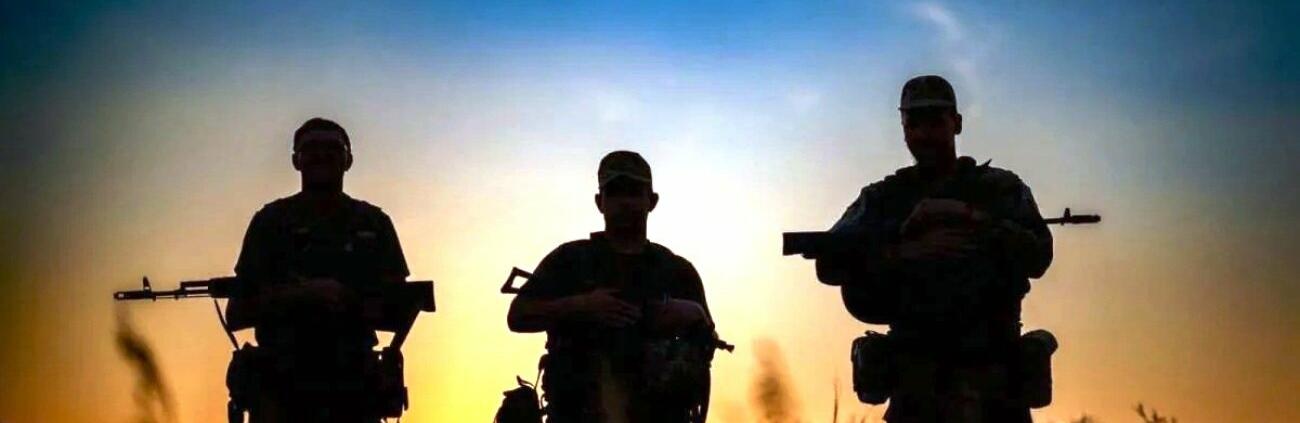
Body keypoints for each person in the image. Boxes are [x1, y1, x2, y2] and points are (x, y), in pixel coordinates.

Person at [817, 75, 1054, 423]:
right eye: (913, 124)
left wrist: (971, 219)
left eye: (934, 122)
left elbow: (1039, 256)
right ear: (903, 129)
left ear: (956, 123)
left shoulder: (1000, 189)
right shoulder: (883, 199)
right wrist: (904, 250)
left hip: (994, 379)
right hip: (917, 379)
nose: (924, 134)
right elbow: (829, 261)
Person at [507, 151, 718, 423]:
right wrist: (582, 306)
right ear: (600, 202)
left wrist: (692, 315)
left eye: (634, 192)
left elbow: (706, 348)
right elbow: (518, 315)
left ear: (652, 201)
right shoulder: (570, 261)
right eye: (615, 193)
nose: (625, 202)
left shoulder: (676, 271)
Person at [225, 118, 411, 423]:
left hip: (352, 386)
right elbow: (237, 313)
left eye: (332, 148)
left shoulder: (373, 223)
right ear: (296, 160)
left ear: (348, 160)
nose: (321, 155)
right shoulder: (270, 222)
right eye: (311, 148)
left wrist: (348, 300)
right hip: (281, 386)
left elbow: (400, 309)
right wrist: (299, 296)